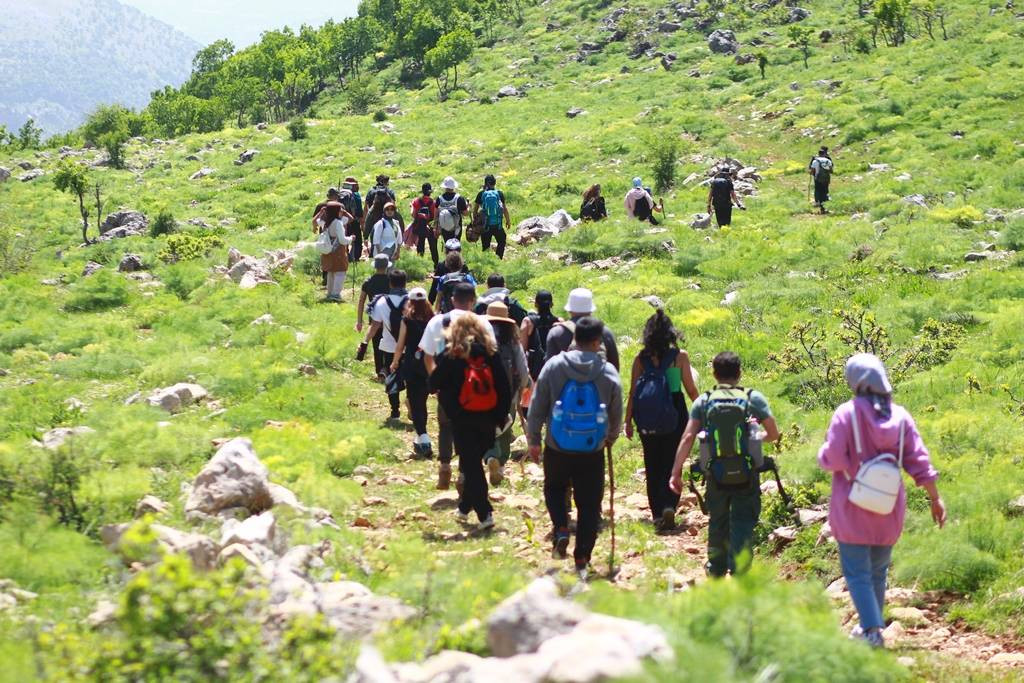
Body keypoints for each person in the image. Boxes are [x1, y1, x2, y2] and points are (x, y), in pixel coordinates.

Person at [818, 353, 946, 649]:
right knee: (877, 571)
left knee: (857, 573)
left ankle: (872, 631)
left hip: (853, 506)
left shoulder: (847, 413)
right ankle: (869, 630)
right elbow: (919, 461)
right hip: (889, 508)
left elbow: (833, 458)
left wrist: (823, 456)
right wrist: (935, 499)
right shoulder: (901, 417)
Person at [669, 352, 780, 577]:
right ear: (739, 373)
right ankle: (740, 569)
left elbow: (688, 437)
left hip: (715, 473)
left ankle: (716, 570)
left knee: (717, 521)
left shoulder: (704, 401)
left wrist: (676, 471)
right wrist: (756, 439)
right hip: (747, 472)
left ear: (714, 373)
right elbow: (774, 433)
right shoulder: (753, 398)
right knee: (743, 521)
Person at [528, 317, 623, 574]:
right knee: (589, 504)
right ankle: (582, 557)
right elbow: (617, 412)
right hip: (592, 450)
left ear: (574, 338)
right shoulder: (607, 371)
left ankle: (560, 526)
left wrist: (534, 440)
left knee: (555, 488)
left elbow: (537, 406)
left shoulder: (554, 365)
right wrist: (610, 438)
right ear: (596, 341)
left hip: (557, 445)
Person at [429, 312, 512, 530]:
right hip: (489, 418)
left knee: (472, 466)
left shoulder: (453, 354)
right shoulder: (491, 353)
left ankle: (485, 514)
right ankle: (465, 508)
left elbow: (433, 382)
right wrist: (500, 416)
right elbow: (504, 386)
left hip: (462, 418)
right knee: (471, 461)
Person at [624, 310, 700, 530]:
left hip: (646, 416)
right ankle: (669, 505)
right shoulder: (679, 357)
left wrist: (628, 421)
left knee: (652, 463)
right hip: (675, 412)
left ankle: (657, 514)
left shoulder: (641, 359)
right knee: (671, 461)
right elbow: (690, 389)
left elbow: (632, 392)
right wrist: (705, 409)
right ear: (671, 333)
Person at [419, 282, 495, 489]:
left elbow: (427, 355)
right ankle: (463, 473)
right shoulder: (483, 323)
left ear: (452, 299)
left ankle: (444, 466)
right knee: (468, 429)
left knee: (445, 426)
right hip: (472, 384)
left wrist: (435, 379)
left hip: (447, 384)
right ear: (473, 300)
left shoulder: (438, 321)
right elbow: (491, 355)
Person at [483, 301, 530, 485]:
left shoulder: (480, 337)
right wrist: (523, 387)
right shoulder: (512, 339)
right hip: (508, 392)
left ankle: (489, 457)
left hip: (483, 391)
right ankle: (500, 465)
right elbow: (523, 368)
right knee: (505, 428)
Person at [390, 287, 434, 458]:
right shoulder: (433, 319)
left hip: (412, 364)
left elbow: (400, 344)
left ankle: (423, 437)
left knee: (415, 400)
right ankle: (420, 435)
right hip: (428, 363)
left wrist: (394, 362)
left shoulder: (407, 320)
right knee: (421, 399)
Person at [362, 269, 409, 420]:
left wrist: (364, 342)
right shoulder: (412, 301)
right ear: (405, 283)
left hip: (389, 347)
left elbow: (375, 326)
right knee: (411, 378)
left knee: (392, 378)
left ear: (390, 283)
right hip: (409, 347)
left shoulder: (381, 302)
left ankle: (395, 411)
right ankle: (411, 401)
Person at [544, 288, 620, 371]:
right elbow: (615, 368)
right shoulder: (605, 332)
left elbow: (549, 369)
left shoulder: (556, 333)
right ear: (591, 309)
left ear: (569, 309)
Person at [519, 290, 562, 422]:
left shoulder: (528, 322)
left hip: (535, 369)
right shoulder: (559, 322)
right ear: (552, 304)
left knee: (531, 406)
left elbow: (522, 349)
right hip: (554, 369)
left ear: (536, 304)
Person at [312, 188, 354, 303]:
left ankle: (330, 293)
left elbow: (315, 221)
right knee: (340, 271)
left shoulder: (325, 222)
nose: (341, 211)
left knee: (331, 272)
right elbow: (342, 239)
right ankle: (336, 294)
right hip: (338, 251)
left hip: (328, 249)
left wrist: (321, 212)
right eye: (340, 210)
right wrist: (351, 239)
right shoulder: (338, 223)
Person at [356, 253, 393, 379]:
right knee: (388, 343)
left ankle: (379, 371)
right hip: (389, 317)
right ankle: (386, 369)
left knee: (376, 344)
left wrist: (359, 320)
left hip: (374, 317)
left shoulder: (368, 282)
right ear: (387, 266)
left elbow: (361, 301)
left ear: (375, 267)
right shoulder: (391, 281)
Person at [473, 174, 512, 259]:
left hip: (485, 226)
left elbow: (475, 210)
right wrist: (508, 221)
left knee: (485, 246)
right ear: (495, 183)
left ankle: (487, 263)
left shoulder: (481, 194)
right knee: (502, 241)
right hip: (497, 225)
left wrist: (475, 223)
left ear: (485, 183)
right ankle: (498, 259)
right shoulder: (499, 194)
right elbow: (504, 209)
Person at [410, 182, 439, 263]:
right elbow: (435, 216)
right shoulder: (434, 202)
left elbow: (414, 215)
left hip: (420, 226)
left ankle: (420, 265)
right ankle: (436, 266)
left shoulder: (416, 201)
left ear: (422, 191)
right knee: (433, 247)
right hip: (430, 226)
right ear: (430, 192)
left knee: (420, 246)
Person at [435, 176, 468, 244]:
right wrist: (469, 208)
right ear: (453, 187)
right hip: (456, 228)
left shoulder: (439, 199)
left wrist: (436, 227)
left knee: (447, 244)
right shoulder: (459, 198)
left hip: (444, 227)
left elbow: (436, 214)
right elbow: (465, 213)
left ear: (445, 187)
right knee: (456, 244)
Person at [341, 176, 365, 262]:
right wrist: (362, 223)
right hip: (354, 220)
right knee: (357, 240)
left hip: (342, 221)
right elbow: (359, 211)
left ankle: (345, 256)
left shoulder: (340, 194)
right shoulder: (356, 195)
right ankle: (355, 258)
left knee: (344, 238)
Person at [809, 146, 834, 214]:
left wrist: (812, 173)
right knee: (825, 192)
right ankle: (825, 206)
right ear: (824, 154)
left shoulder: (815, 161)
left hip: (818, 179)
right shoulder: (828, 160)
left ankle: (819, 204)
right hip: (826, 179)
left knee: (818, 191)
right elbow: (831, 171)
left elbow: (812, 171)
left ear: (819, 154)